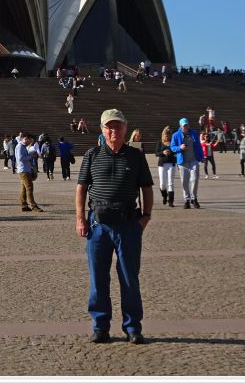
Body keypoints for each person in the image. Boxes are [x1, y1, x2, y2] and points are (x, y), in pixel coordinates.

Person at [75, 109, 153, 344]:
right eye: (109, 126)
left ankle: (132, 327)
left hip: (129, 225)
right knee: (98, 278)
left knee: (130, 278)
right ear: (102, 129)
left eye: (118, 126)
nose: (114, 131)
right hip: (98, 226)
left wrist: (146, 217)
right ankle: (100, 326)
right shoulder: (92, 154)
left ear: (125, 129)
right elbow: (81, 187)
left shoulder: (135, 156)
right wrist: (80, 218)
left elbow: (147, 188)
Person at [170, 118, 204, 209]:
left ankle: (194, 198)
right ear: (180, 126)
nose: (186, 127)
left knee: (195, 179)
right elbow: (172, 147)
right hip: (182, 162)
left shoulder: (193, 133)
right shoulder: (176, 135)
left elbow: (198, 146)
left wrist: (201, 156)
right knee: (184, 182)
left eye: (187, 125)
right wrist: (180, 147)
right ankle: (187, 200)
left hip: (193, 160)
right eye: (184, 125)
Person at [15, 132, 42, 212]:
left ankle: (24, 205)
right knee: (29, 188)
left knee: (24, 188)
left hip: (24, 169)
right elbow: (20, 158)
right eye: (29, 141)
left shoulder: (22, 146)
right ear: (26, 139)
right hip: (24, 170)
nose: (30, 143)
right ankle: (33, 205)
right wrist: (31, 156)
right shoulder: (20, 147)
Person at [155, 127, 176, 207]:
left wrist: (171, 152)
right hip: (162, 165)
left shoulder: (173, 142)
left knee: (170, 183)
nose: (167, 137)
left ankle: (171, 201)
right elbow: (156, 153)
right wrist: (163, 152)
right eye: (166, 135)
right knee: (162, 184)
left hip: (171, 164)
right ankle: (164, 196)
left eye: (168, 135)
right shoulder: (160, 143)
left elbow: (176, 151)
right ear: (163, 135)